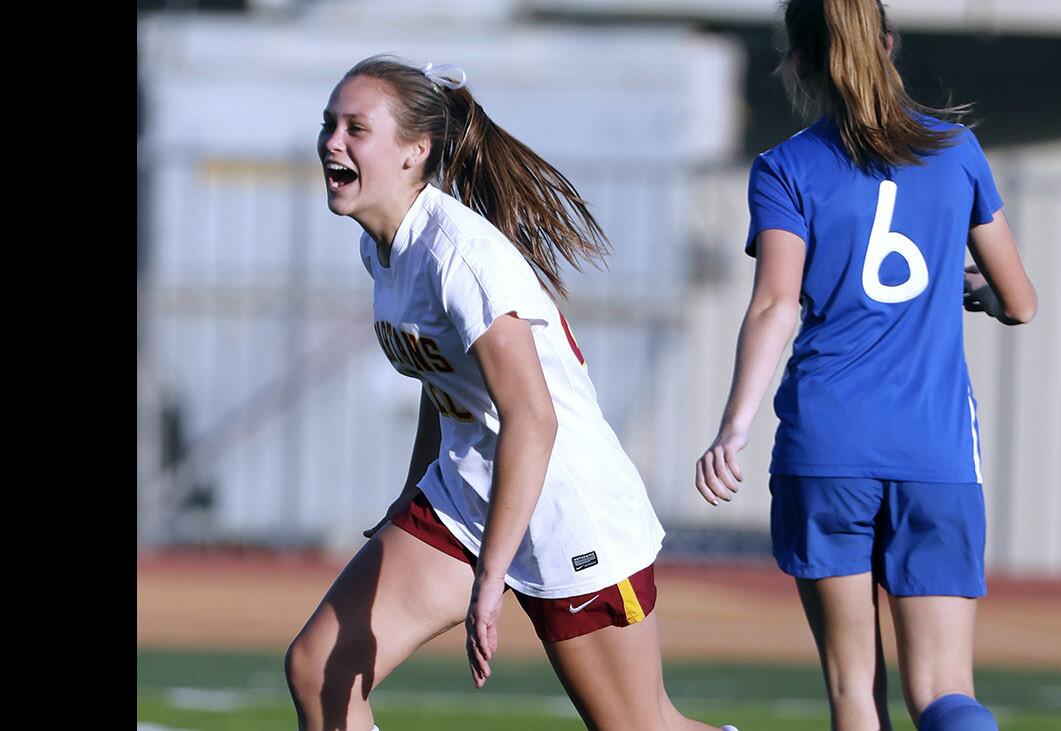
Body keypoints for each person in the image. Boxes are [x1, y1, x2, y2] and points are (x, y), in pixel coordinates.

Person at [285, 55, 738, 731]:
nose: (332, 141)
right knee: (321, 668)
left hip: (564, 506)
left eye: (356, 127)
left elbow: (533, 414)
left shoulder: (458, 255)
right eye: (329, 124)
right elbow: (440, 378)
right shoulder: (383, 250)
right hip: (471, 493)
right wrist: (413, 493)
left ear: (415, 151)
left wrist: (490, 576)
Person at [693, 2, 1037, 731]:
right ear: (888, 44)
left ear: (799, 62)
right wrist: (971, 289)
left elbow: (774, 307)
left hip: (826, 447)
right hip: (936, 450)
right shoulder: (957, 149)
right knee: (945, 688)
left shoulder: (784, 167)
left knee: (855, 690)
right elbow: (1022, 300)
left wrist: (734, 427)